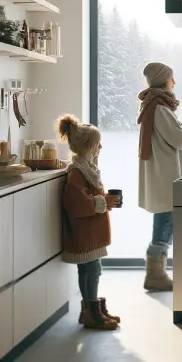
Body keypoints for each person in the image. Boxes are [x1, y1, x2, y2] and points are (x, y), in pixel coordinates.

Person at [138, 62, 182, 292]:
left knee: (166, 218)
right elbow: (180, 139)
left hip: (163, 174)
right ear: (164, 80)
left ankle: (156, 272)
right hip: (166, 176)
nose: (174, 82)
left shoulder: (155, 106)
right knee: (166, 220)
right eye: (171, 78)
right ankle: (155, 274)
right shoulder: (159, 109)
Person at [57, 114, 121, 331]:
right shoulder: (77, 172)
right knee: (92, 270)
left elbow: (89, 198)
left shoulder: (87, 169)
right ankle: (92, 310)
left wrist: (103, 202)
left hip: (89, 232)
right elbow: (76, 202)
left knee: (89, 270)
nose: (100, 147)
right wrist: (102, 202)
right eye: (97, 144)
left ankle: (91, 309)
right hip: (85, 234)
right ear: (87, 146)